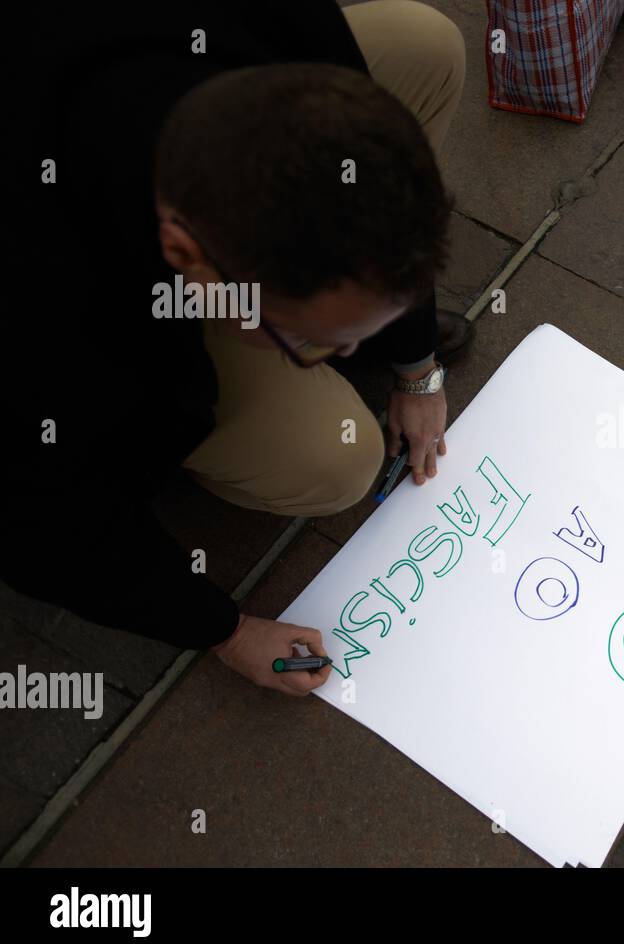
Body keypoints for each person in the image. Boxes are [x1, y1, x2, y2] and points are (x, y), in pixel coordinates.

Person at [5, 0, 468, 695]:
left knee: (427, 45)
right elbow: (41, 519)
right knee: (336, 459)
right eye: (318, 341)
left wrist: (415, 362)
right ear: (190, 259)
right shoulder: (44, 299)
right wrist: (224, 629)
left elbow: (381, 188)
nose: (347, 353)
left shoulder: (265, 35)